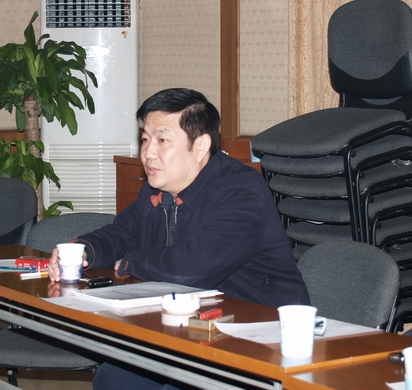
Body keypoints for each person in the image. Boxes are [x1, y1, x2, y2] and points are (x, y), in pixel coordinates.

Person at [48, 88, 310, 389]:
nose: (148, 153)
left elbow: (192, 266)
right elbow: (121, 234)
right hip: (188, 329)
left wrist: (132, 261)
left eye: (162, 140)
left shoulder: (241, 192)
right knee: (113, 378)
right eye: (145, 139)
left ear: (200, 146)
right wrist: (84, 249)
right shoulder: (156, 189)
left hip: (256, 336)